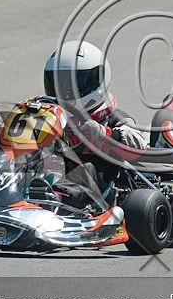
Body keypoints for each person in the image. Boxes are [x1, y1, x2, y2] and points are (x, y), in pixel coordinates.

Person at [43, 40, 147, 189]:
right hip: (53, 177)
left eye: (73, 84)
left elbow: (139, 145)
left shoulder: (111, 118)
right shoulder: (51, 117)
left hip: (99, 189)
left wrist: (103, 133)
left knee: (85, 170)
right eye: (59, 83)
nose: (64, 90)